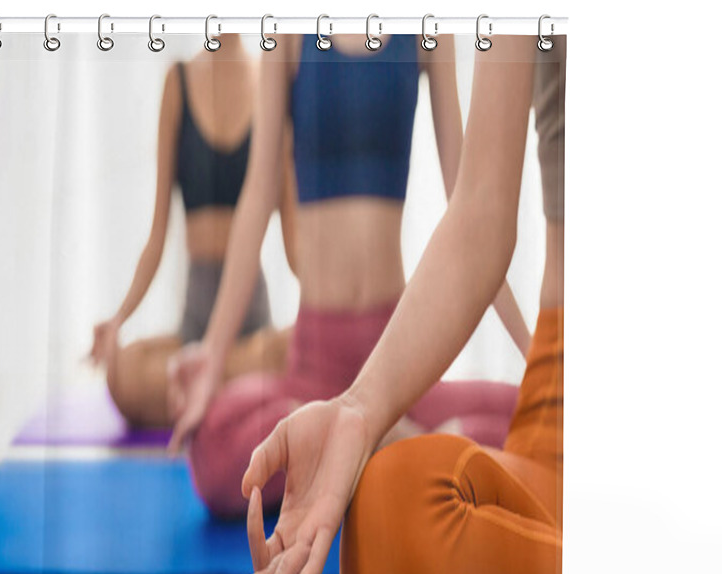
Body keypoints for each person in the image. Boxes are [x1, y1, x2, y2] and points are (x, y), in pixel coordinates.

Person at [232, 35, 565, 574]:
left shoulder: (427, 39)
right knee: (386, 512)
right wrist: (357, 412)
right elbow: (477, 214)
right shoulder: (294, 38)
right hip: (534, 393)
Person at [167, 33, 529, 517]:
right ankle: (399, 450)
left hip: (397, 368)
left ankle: (370, 442)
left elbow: (476, 210)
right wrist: (212, 354)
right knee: (210, 449)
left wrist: (536, 350)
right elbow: (257, 197)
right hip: (313, 373)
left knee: (539, 418)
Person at [88, 35, 294, 428]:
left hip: (254, 326)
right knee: (123, 372)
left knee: (296, 352)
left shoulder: (271, 79)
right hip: (195, 325)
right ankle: (228, 386)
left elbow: (296, 246)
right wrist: (118, 318)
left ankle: (209, 382)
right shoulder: (178, 82)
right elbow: (157, 235)